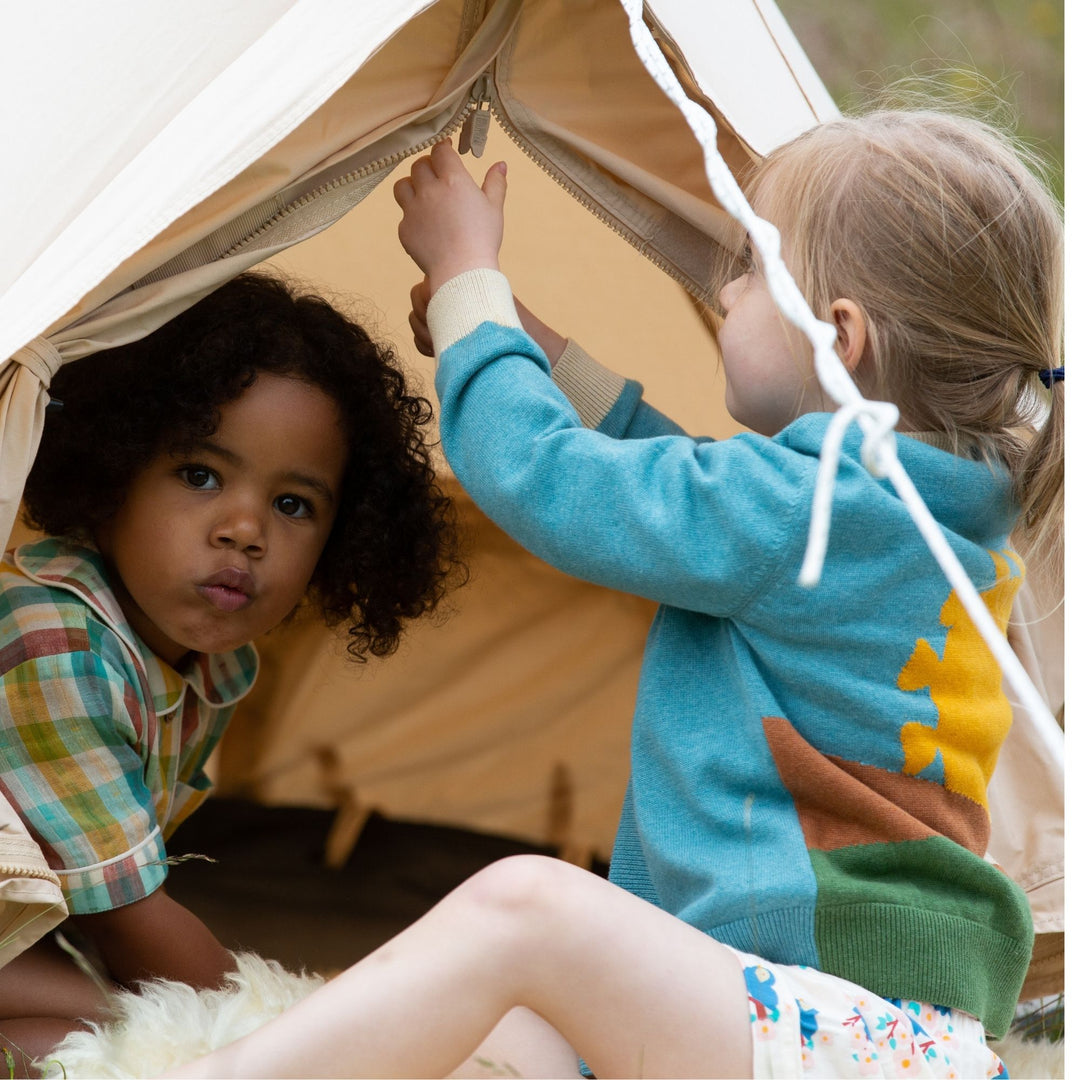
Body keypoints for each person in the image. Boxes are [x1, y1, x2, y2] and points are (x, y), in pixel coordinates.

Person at [174, 104, 1060, 1079]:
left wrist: (471, 280)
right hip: (847, 1029)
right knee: (481, 1034)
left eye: (750, 271)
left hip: (827, 1021)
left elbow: (551, 481)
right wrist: (519, 337)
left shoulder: (807, 515)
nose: (723, 294)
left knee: (525, 910)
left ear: (839, 335)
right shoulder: (899, 512)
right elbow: (670, 473)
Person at [0, 272, 459, 1077]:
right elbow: (127, 920)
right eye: (201, 475)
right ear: (111, 478)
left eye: (293, 505)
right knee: (118, 1032)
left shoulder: (211, 666)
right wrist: (286, 1028)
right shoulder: (52, 640)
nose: (245, 530)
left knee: (118, 1017)